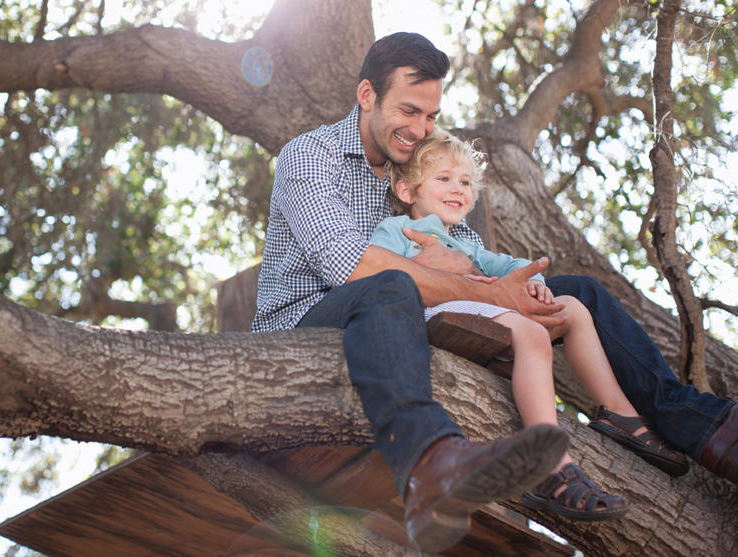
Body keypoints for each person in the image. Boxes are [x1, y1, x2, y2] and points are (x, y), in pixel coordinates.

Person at [252, 32, 737, 552]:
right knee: (388, 284)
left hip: (400, 320)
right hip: (305, 331)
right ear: (367, 95)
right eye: (409, 111)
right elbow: (351, 265)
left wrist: (497, 284)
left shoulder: (413, 165)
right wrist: (477, 288)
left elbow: (460, 259)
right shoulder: (312, 155)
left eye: (431, 117)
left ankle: (700, 426)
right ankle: (430, 461)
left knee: (577, 293)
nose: (420, 130)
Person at [370, 128, 688, 519]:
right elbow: (382, 278)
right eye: (444, 179)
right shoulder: (396, 231)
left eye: (466, 182)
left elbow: (512, 267)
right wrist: (423, 267)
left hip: (482, 315)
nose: (458, 189)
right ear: (407, 191)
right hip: (436, 319)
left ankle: (618, 412)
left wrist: (535, 285)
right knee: (533, 332)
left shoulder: (467, 243)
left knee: (570, 307)